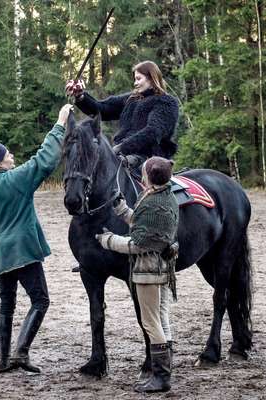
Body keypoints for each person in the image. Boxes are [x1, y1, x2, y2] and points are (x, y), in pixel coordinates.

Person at [0, 104, 73, 374]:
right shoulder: (15, 179)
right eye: (8, 154)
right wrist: (60, 122)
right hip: (24, 253)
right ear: (1, 163)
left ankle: (4, 362)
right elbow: (44, 160)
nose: (12, 155)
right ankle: (21, 354)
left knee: (7, 305)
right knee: (40, 301)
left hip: (1, 257)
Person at [95, 156, 179, 393]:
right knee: (161, 319)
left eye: (143, 172)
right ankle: (164, 371)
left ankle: (161, 377)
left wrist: (108, 240)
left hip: (148, 270)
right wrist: (123, 209)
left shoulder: (152, 204)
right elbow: (144, 225)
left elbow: (138, 243)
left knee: (150, 322)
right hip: (163, 267)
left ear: (149, 176)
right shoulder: (165, 197)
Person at [65, 60, 179, 170]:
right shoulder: (131, 99)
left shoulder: (166, 102)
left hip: (151, 159)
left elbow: (153, 132)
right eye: (135, 79)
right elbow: (102, 109)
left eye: (139, 79)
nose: (135, 83)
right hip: (121, 154)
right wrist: (80, 96)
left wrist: (121, 147)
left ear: (152, 78)